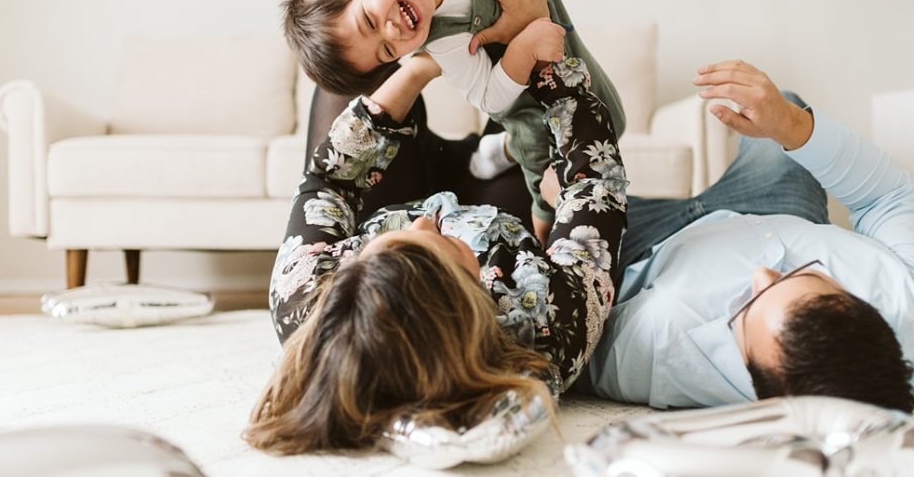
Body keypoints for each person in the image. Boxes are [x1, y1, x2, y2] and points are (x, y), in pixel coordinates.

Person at [245, 49, 628, 453]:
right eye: (440, 244)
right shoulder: (547, 330)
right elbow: (598, 186)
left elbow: (327, 181)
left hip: (392, 190)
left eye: (387, 245)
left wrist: (420, 68)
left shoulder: (305, 298)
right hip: (500, 208)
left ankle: (464, 157)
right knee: (520, 89)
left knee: (354, 68)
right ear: (469, 297)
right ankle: (497, 147)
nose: (427, 221)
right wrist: (551, 74)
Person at [571, 60, 914, 413]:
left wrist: (571, 212)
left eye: (745, 312)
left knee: (548, 173)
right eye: (803, 274)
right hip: (779, 208)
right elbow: (889, 197)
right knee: (781, 105)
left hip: (643, 246)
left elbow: (573, 341)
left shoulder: (663, 348)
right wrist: (790, 125)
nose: (760, 274)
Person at [280, 0, 626, 243]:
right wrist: (522, 45)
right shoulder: (445, 43)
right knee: (563, 139)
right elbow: (491, 96)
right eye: (387, 52)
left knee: (590, 113)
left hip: (439, 162)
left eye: (369, 21)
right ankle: (534, 200)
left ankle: (498, 150)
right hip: (473, 198)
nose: (393, 33)